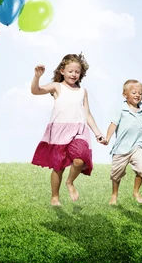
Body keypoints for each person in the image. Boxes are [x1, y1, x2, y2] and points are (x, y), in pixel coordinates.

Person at [30, 53, 108, 206]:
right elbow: (35, 90)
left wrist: (98, 133)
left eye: (77, 72)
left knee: (79, 160)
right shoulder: (57, 87)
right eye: (70, 71)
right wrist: (37, 77)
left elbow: (88, 114)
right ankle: (55, 197)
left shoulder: (82, 91)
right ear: (62, 71)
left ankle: (70, 182)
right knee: (58, 167)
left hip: (79, 131)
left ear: (81, 74)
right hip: (59, 132)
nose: (73, 74)